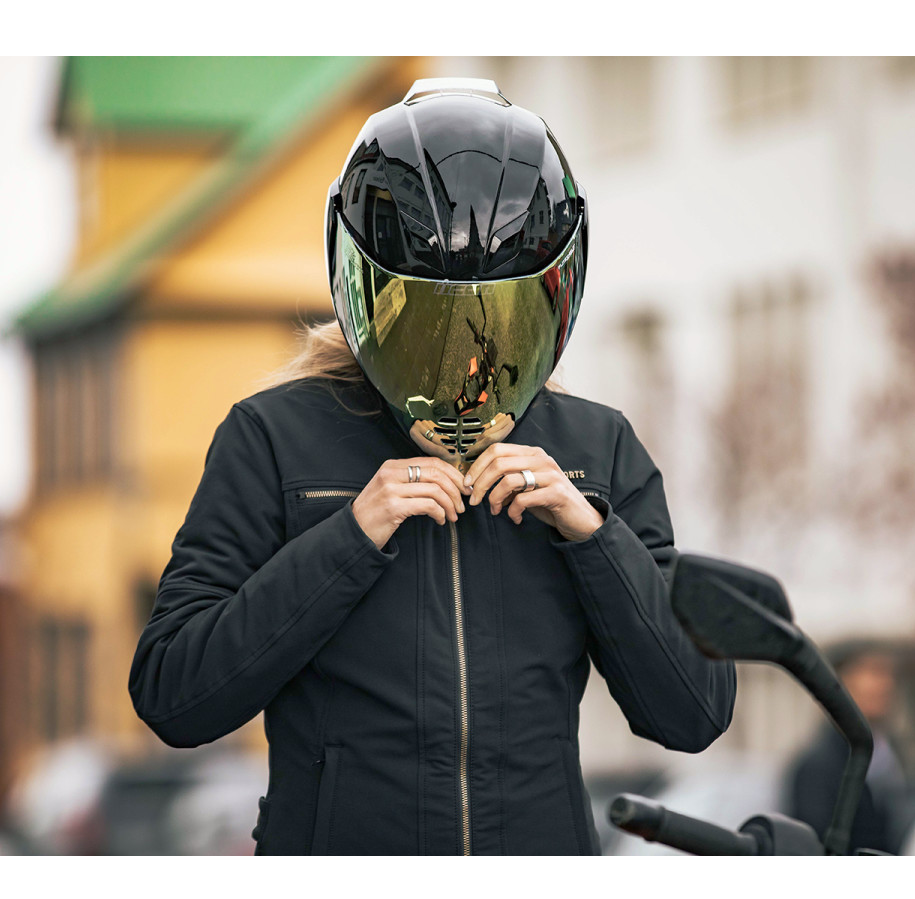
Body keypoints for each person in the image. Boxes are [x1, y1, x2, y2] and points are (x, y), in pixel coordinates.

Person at [128, 77, 737, 855]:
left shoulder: (597, 449)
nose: (468, 360)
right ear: (364, 292)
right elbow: (175, 695)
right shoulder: (272, 438)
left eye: (500, 320)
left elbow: (693, 713)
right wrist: (351, 536)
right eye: (428, 320)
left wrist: (591, 535)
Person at [784, 646, 907, 854]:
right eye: (873, 672)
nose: (885, 683)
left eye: (886, 674)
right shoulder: (818, 766)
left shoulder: (891, 752)